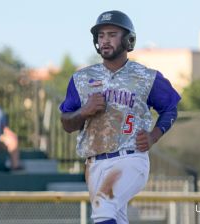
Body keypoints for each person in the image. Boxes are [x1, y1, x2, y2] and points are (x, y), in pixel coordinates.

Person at [59, 10, 181, 224]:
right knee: (113, 216)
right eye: (101, 35)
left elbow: (170, 108)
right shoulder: (81, 78)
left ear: (128, 40)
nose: (105, 40)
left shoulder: (146, 76)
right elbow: (66, 123)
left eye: (112, 34)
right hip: (94, 162)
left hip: (130, 157)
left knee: (103, 208)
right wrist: (83, 111)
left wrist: (154, 135)